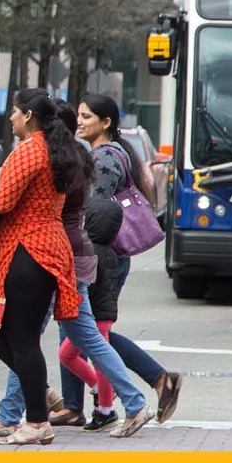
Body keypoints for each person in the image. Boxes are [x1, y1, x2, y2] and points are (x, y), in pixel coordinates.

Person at [50, 95, 183, 428]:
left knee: (91, 332)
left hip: (99, 254)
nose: (79, 122)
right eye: (78, 116)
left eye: (86, 116)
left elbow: (94, 209)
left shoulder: (106, 158)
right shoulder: (106, 154)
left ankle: (150, 382)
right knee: (83, 330)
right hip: (99, 253)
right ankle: (84, 403)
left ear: (105, 122)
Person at [0, 90, 83, 446]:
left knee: (19, 337)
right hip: (41, 248)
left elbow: (3, 201)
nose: (11, 118)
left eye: (15, 112)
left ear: (30, 116)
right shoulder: (53, 149)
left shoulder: (30, 151)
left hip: (29, 250)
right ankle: (40, 401)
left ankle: (37, 419)